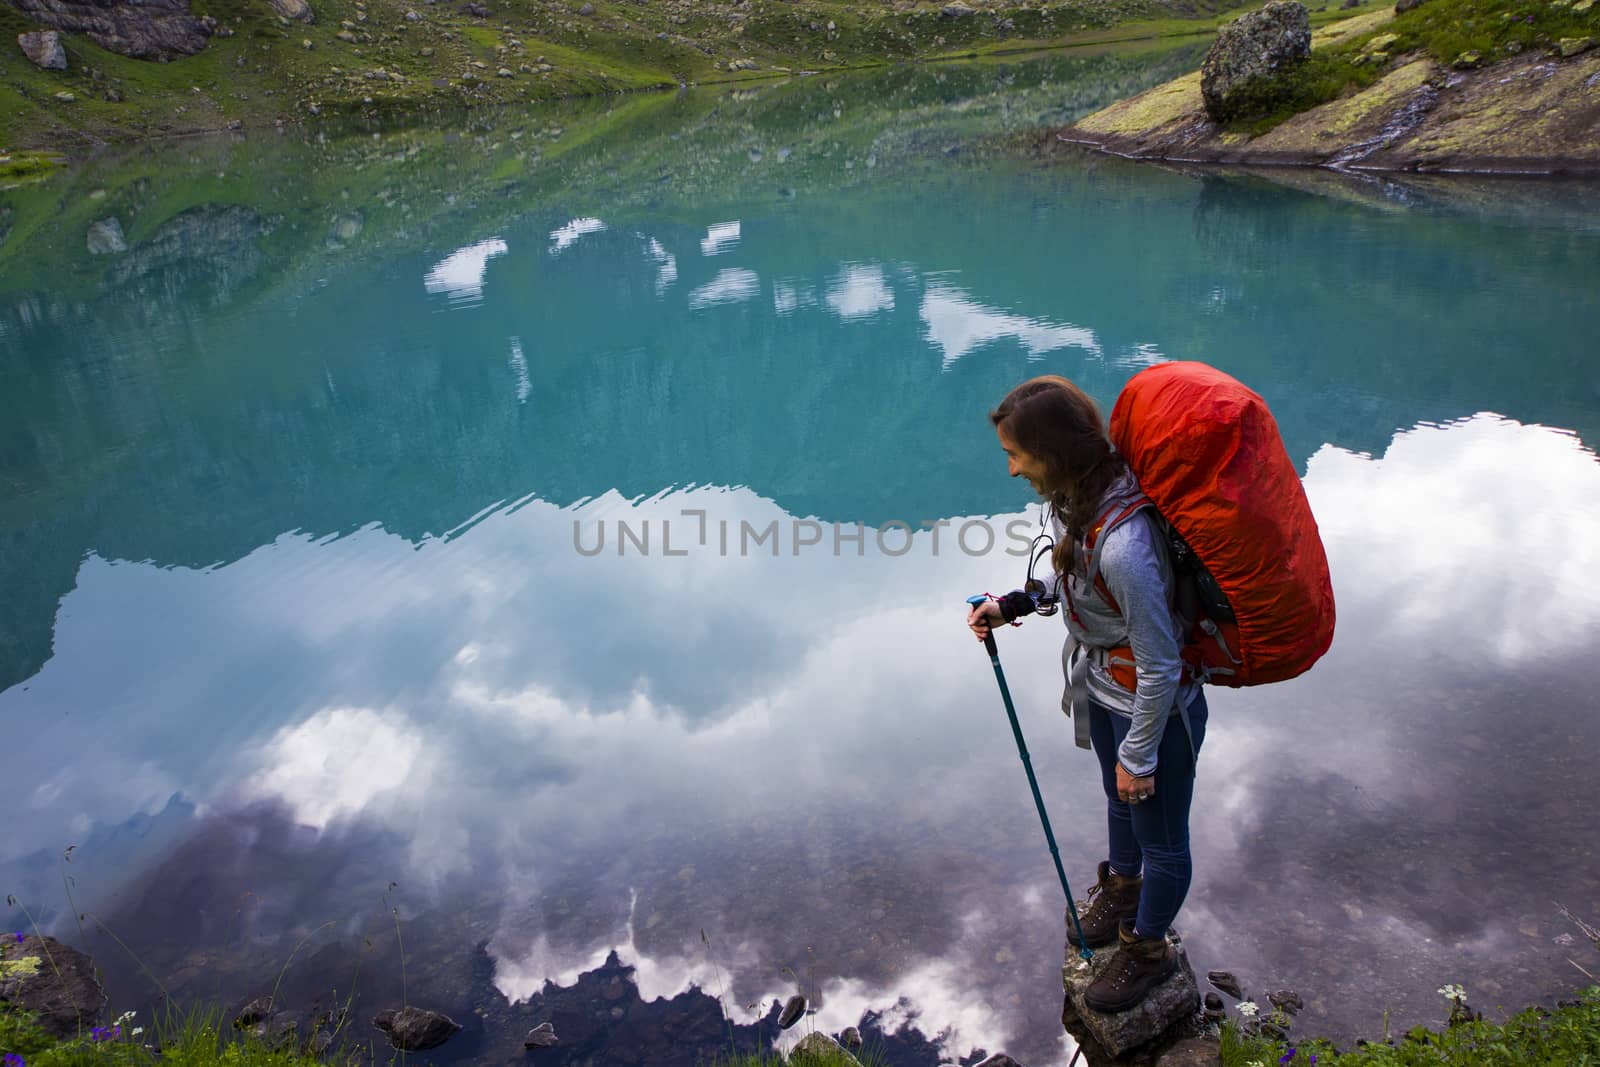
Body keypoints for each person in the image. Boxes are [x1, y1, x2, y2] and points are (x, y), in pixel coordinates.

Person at [966, 374, 1208, 1014]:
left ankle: (1147, 951)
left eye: (1017, 454)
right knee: (1118, 804)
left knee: (1163, 840)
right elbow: (1072, 572)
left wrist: (1141, 755)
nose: (1013, 469)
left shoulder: (1127, 544)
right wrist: (1014, 602)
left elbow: (1159, 663)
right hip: (1103, 689)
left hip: (1152, 711)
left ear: (1054, 452)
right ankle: (1123, 890)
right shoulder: (1079, 499)